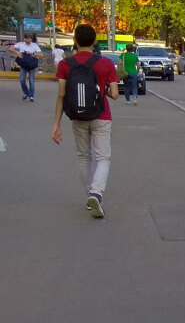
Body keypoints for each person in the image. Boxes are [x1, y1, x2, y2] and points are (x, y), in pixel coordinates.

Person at [52, 24, 120, 219]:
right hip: (101, 116)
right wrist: (103, 90)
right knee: (103, 158)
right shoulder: (105, 63)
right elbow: (114, 94)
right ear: (95, 41)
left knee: (84, 157)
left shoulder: (65, 64)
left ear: (74, 41)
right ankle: (96, 194)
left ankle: (91, 196)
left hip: (77, 116)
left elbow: (61, 95)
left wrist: (56, 124)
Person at [15, 34, 42, 102]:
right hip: (23, 65)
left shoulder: (34, 45)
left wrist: (32, 53)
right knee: (22, 80)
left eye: (30, 38)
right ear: (25, 38)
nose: (28, 40)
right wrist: (17, 52)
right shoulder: (21, 44)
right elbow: (10, 48)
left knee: (31, 81)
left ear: (32, 39)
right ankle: (26, 92)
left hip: (31, 65)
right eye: (27, 38)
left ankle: (31, 95)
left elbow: (41, 54)